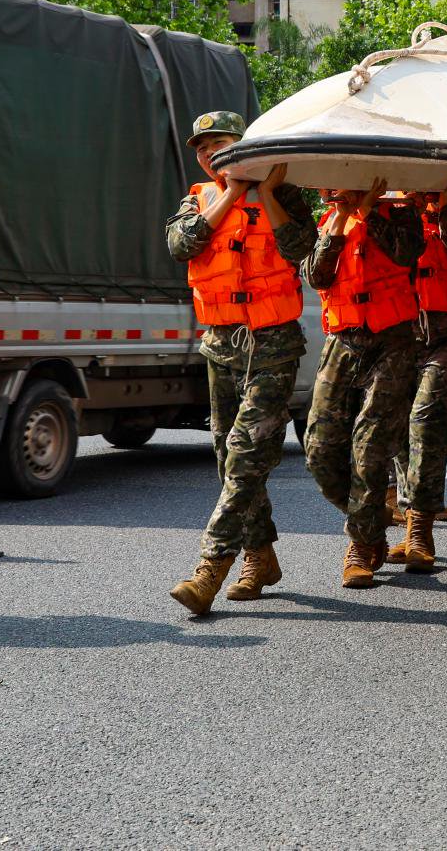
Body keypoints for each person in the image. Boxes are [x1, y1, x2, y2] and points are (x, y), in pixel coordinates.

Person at [168, 113, 315, 614]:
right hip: (220, 345)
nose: (210, 153)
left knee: (245, 455)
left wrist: (264, 194)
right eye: (202, 147)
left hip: (272, 344)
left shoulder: (285, 192)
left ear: (245, 147)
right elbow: (180, 244)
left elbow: (303, 249)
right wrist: (229, 194)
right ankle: (261, 556)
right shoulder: (199, 197)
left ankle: (211, 568)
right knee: (227, 459)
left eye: (221, 144)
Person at [305, 181, 423, 587]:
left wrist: (369, 209)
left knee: (370, 448)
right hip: (342, 340)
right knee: (319, 450)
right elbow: (318, 276)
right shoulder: (328, 222)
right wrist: (340, 217)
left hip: (391, 340)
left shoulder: (401, 215)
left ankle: (359, 545)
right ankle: (371, 523)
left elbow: (406, 253)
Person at [391, 172, 447, 573]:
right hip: (401, 333)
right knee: (403, 431)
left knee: (424, 423)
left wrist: (444, 205)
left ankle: (420, 528)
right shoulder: (393, 210)